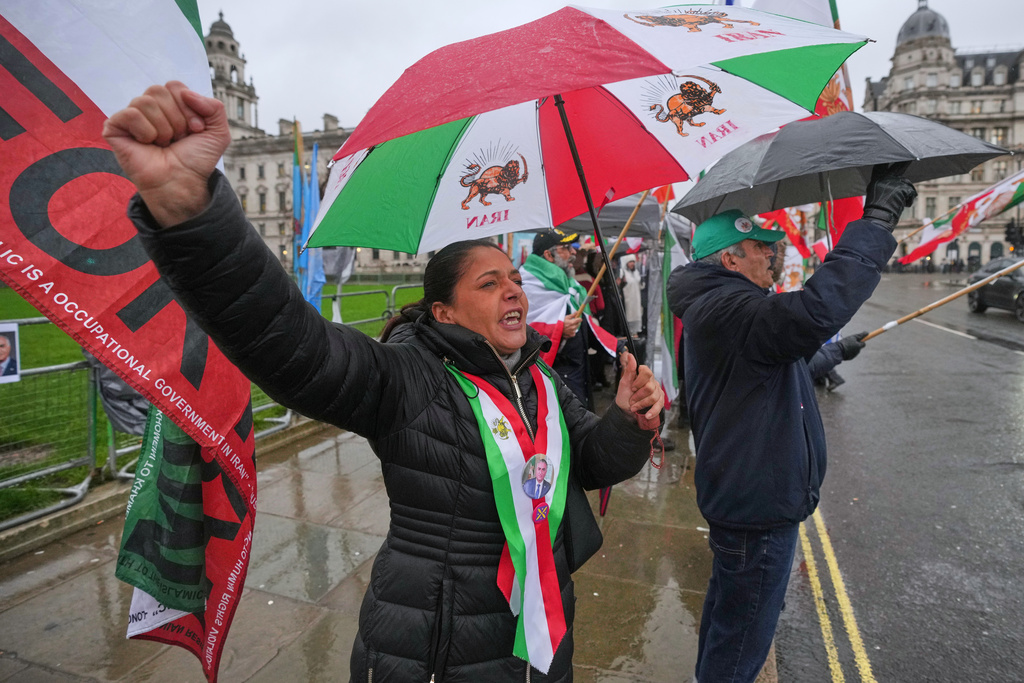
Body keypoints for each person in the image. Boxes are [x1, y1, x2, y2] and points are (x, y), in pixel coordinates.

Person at [103, 81, 665, 683]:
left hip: (542, 641)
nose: (513, 290)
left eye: (513, 278)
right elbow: (291, 342)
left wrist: (629, 419)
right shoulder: (405, 376)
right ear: (443, 311)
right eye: (488, 283)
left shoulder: (541, 381)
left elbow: (595, 461)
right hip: (432, 645)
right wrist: (194, 214)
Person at [667, 167, 916, 683]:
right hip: (758, 506)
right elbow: (813, 311)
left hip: (749, 497)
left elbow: (782, 364)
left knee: (730, 617)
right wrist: (876, 221)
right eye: (759, 247)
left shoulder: (726, 307)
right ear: (730, 258)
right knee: (740, 644)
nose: (770, 253)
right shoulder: (728, 308)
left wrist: (833, 353)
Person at [521, 229, 617, 409]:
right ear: (549, 255)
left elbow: (588, 328)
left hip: (577, 373)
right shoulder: (526, 287)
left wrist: (618, 348)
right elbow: (517, 335)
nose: (574, 253)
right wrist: (558, 329)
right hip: (552, 378)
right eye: (566, 248)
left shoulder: (569, 287)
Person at [619, 255, 644, 335]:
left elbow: (640, 285)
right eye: (630, 262)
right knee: (629, 319)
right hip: (628, 301)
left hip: (637, 300)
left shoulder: (636, 272)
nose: (632, 264)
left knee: (637, 318)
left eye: (633, 262)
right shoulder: (623, 273)